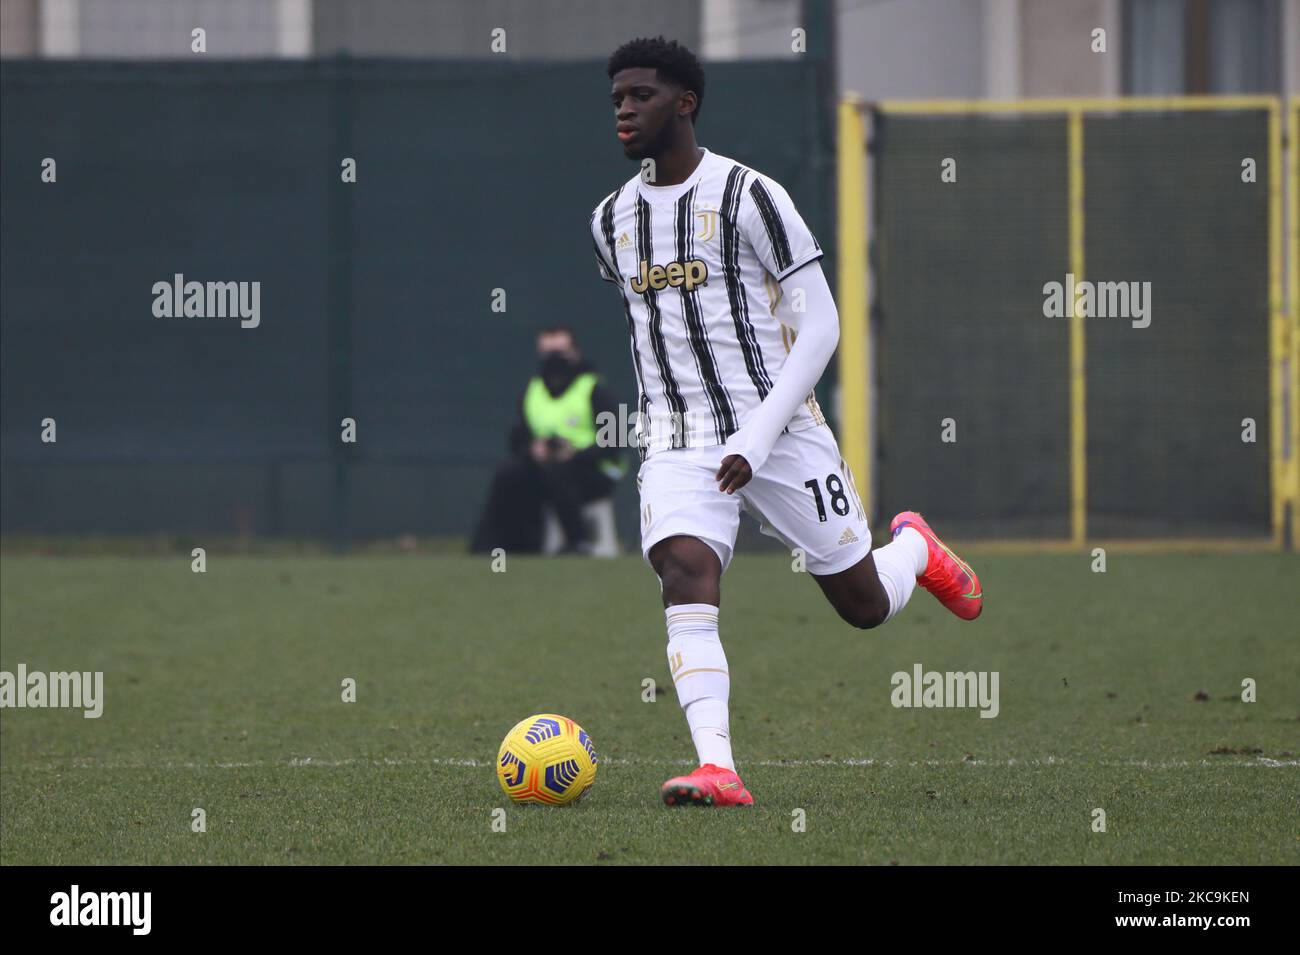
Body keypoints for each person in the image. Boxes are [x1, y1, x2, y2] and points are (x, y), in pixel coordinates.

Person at [589, 37, 983, 808]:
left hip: (779, 426)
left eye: (641, 95)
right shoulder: (611, 221)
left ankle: (914, 547)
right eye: (616, 100)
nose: (625, 110)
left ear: (686, 102)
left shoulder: (750, 196)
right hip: (677, 435)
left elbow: (823, 325)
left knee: (864, 605)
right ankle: (717, 767)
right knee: (683, 568)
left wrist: (758, 433)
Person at [470, 326, 625, 555]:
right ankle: (499, 543)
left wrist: (573, 453)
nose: (554, 361)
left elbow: (616, 442)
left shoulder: (595, 389)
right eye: (547, 354)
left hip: (592, 471)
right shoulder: (533, 390)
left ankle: (578, 542)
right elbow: (518, 437)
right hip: (544, 469)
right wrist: (534, 449)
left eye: (560, 353)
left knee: (559, 471)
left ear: (575, 353)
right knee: (510, 472)